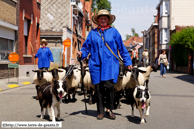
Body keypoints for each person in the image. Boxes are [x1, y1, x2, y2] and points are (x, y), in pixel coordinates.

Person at [77, 9, 132, 120]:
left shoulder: (114, 32)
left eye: (105, 18)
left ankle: (109, 109)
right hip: (96, 64)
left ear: (108, 20)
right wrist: (81, 53)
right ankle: (100, 111)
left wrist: (128, 62)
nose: (103, 20)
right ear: (97, 20)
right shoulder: (92, 33)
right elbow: (86, 48)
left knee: (110, 87)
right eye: (101, 18)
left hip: (110, 64)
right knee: (98, 89)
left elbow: (121, 48)